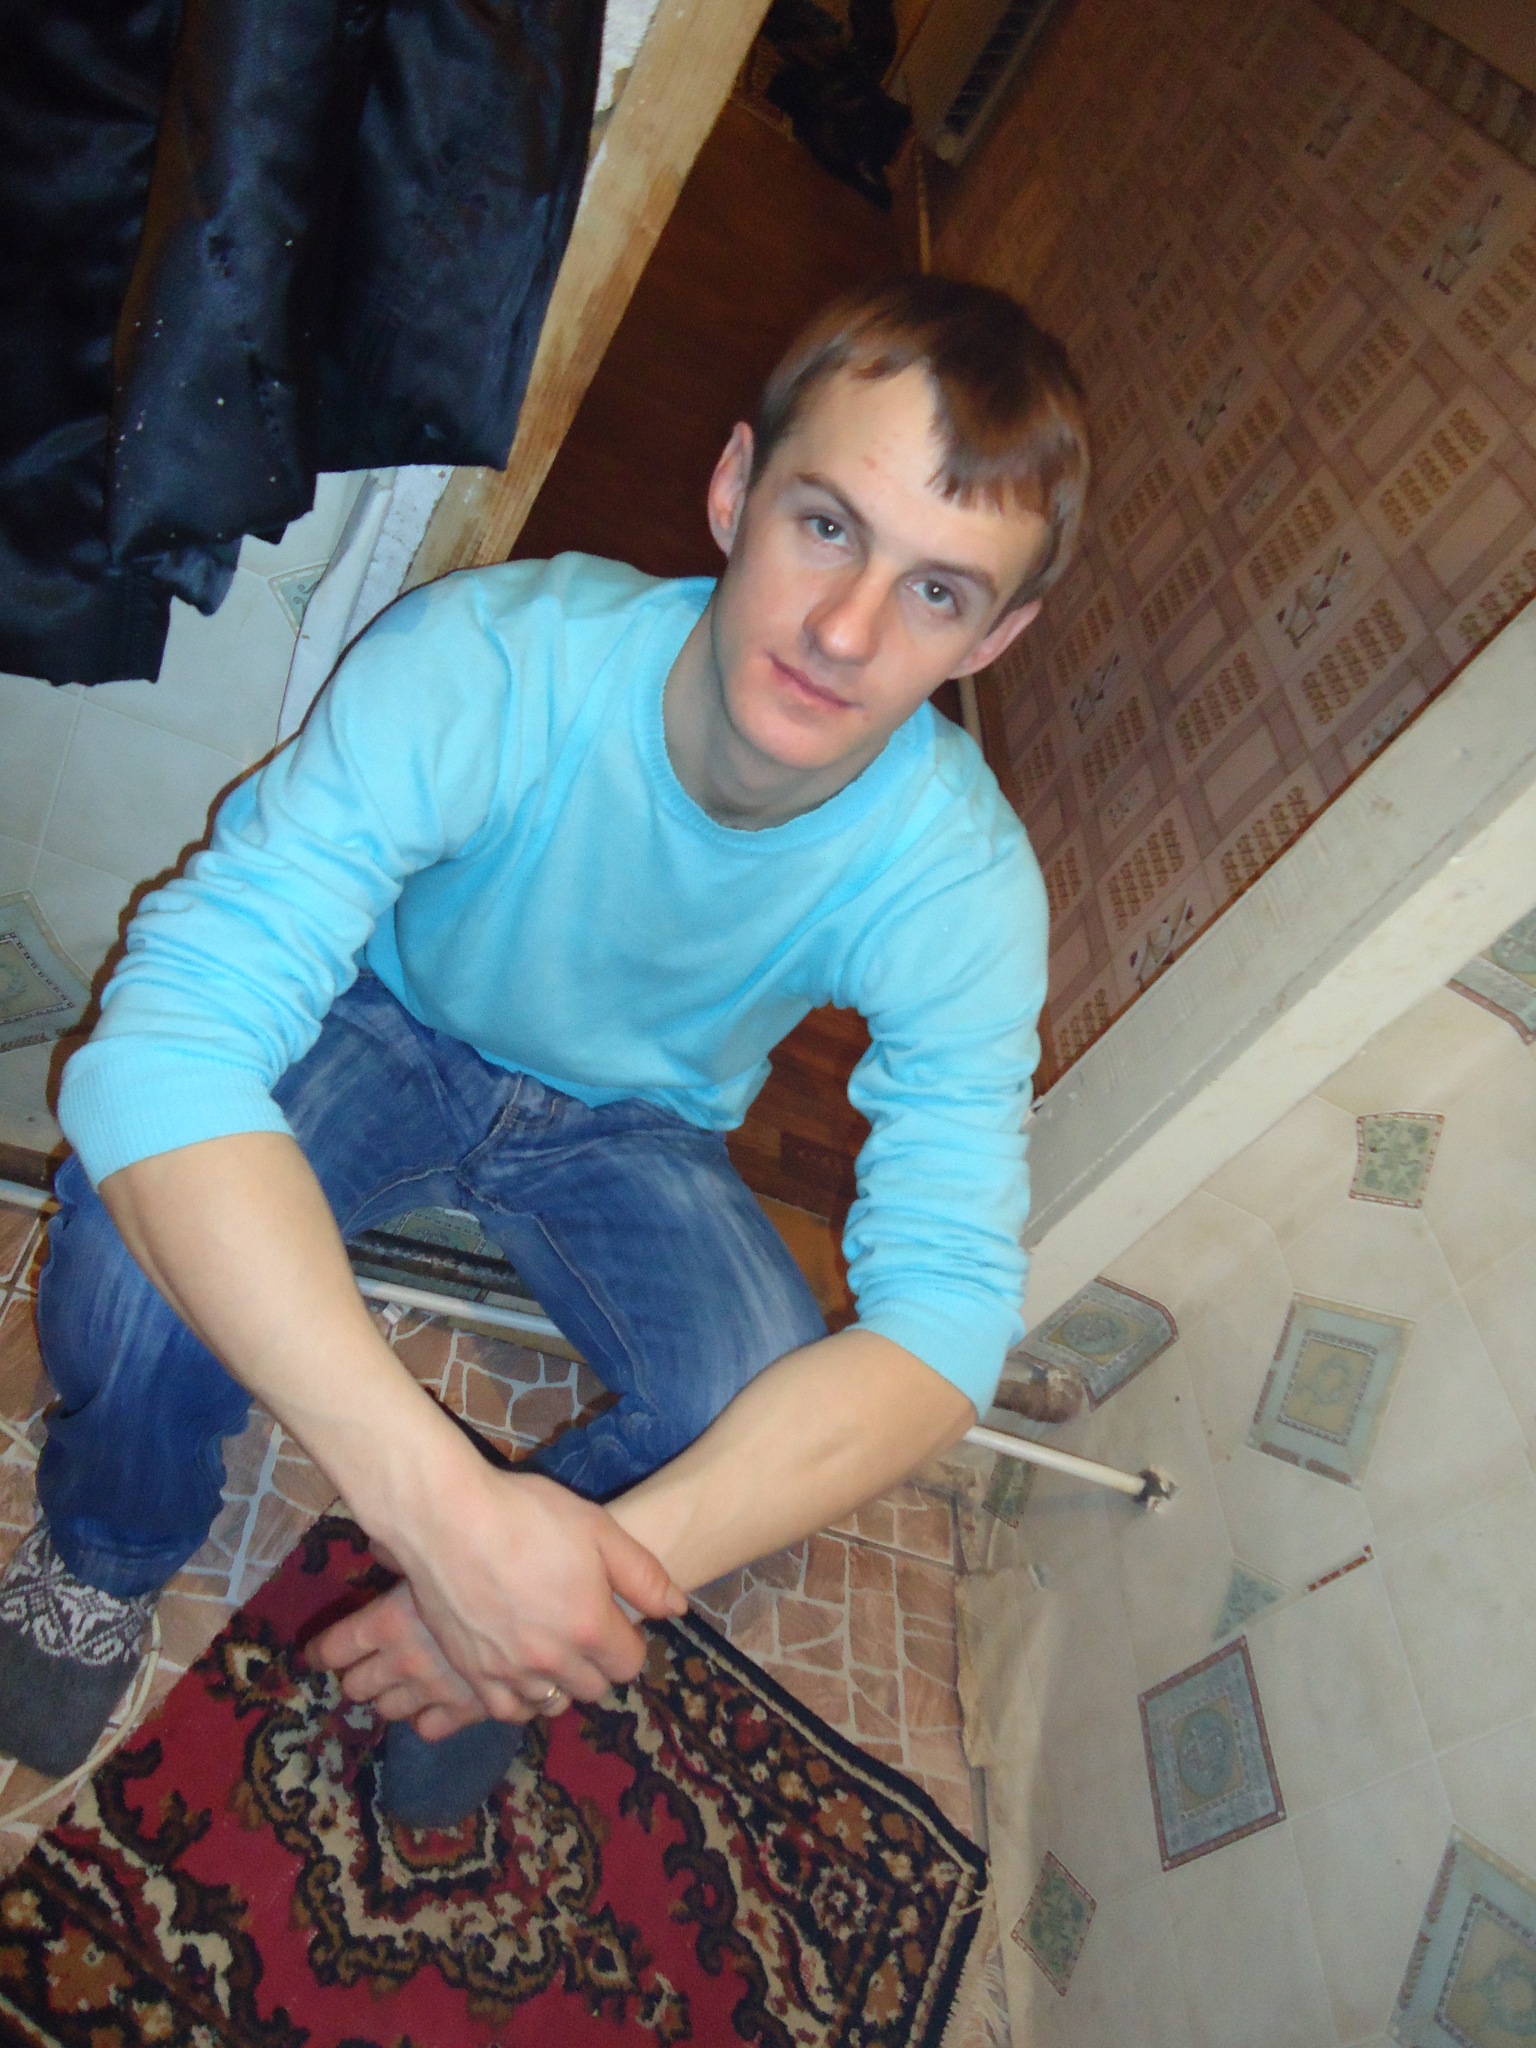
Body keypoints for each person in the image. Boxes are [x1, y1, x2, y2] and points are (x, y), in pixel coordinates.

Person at [0, 276, 1088, 1825]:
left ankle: (508, 1629)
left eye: (936, 592)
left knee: (761, 1415)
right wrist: (440, 1507)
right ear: (735, 488)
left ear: (997, 636)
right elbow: (155, 1050)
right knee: (131, 1250)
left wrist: (531, 1589)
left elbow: (948, 1322)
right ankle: (107, 1546)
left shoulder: (961, 882)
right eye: (826, 525)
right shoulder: (497, 658)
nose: (845, 631)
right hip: (392, 1020)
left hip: (637, 1123)